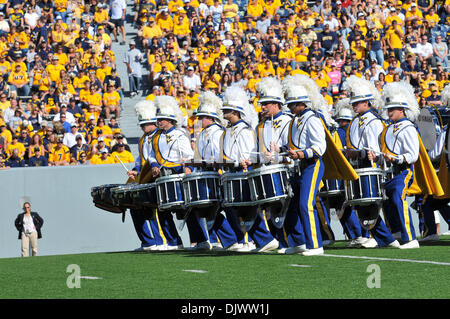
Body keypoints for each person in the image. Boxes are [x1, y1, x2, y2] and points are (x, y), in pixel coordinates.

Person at [220, 85, 279, 253]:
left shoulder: (244, 130)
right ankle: (259, 240)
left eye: (228, 110)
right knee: (238, 207)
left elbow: (248, 153)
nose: (225, 112)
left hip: (242, 172)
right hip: (232, 173)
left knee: (246, 207)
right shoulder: (229, 130)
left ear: (236, 112)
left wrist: (240, 163)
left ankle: (262, 239)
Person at [344, 75, 400, 249]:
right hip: (358, 166)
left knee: (372, 203)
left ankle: (386, 238)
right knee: (361, 204)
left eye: (357, 102)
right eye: (353, 103)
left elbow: (377, 149)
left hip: (372, 167)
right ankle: (382, 238)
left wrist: (365, 154)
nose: (354, 106)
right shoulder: (354, 122)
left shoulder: (375, 122)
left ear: (366, 103)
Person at [190, 90, 239, 251]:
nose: (199, 120)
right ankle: (214, 240)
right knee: (204, 208)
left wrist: (206, 162)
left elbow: (220, 155)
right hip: (207, 174)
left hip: (218, 174)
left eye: (201, 117)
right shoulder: (203, 133)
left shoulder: (218, 132)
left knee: (222, 207)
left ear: (210, 117)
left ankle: (234, 239)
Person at [149, 95, 194, 250]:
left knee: (186, 209)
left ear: (170, 120)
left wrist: (187, 167)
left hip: (178, 174)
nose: (159, 121)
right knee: (163, 210)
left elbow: (189, 156)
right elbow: (151, 154)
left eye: (162, 119)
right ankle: (174, 242)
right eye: (158, 118)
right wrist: (154, 164)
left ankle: (199, 240)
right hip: (162, 176)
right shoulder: (155, 136)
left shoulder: (180, 134)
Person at [254, 77, 293, 253]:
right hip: (267, 171)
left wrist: (279, 154)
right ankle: (276, 240)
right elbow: (258, 150)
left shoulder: (288, 120)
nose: (262, 107)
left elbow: (292, 148)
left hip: (286, 170)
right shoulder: (261, 125)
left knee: (285, 208)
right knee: (270, 207)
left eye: (266, 104)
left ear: (276, 104)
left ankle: (287, 241)